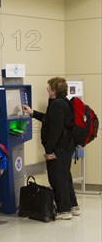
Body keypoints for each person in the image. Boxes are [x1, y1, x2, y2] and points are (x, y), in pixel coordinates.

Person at [23, 77, 80, 220]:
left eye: (48, 88)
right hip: (66, 146)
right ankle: (73, 206)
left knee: (57, 178)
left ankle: (64, 210)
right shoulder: (63, 103)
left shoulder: (57, 105)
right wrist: (33, 113)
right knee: (65, 176)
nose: (47, 90)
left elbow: (55, 130)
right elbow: (50, 119)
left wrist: (49, 150)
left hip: (59, 149)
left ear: (54, 90)